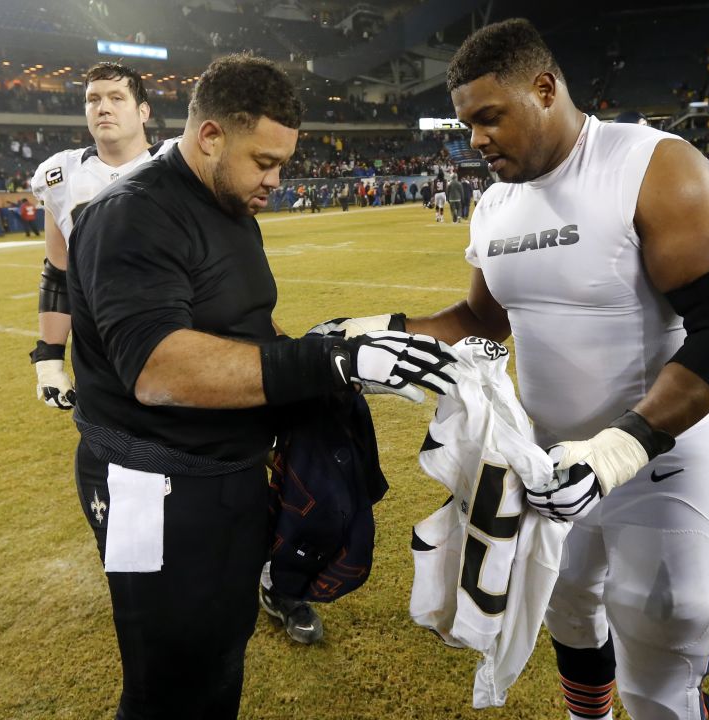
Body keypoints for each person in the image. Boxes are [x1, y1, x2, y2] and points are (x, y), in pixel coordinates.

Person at [316, 19, 709, 720]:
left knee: (664, 628)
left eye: (489, 117)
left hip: (661, 453)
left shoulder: (652, 163)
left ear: (545, 89)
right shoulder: (495, 203)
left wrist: (624, 445)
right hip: (549, 456)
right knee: (567, 604)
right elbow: (479, 324)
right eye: (467, 124)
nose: (475, 140)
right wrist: (371, 331)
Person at [63, 52, 456, 719]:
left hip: (223, 474)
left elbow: (243, 326)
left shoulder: (227, 203)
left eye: (282, 163)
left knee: (219, 653)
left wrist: (317, 352)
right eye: (265, 162)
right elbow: (160, 369)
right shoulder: (134, 214)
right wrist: (330, 363)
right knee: (169, 682)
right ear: (211, 135)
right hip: (151, 488)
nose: (276, 180)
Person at [27, 61, 178, 414]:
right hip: (99, 357)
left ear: (143, 110)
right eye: (93, 99)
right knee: (103, 451)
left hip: (176, 340)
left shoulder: (179, 161)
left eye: (116, 97)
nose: (103, 107)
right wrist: (48, 358)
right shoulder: (59, 174)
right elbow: (58, 273)